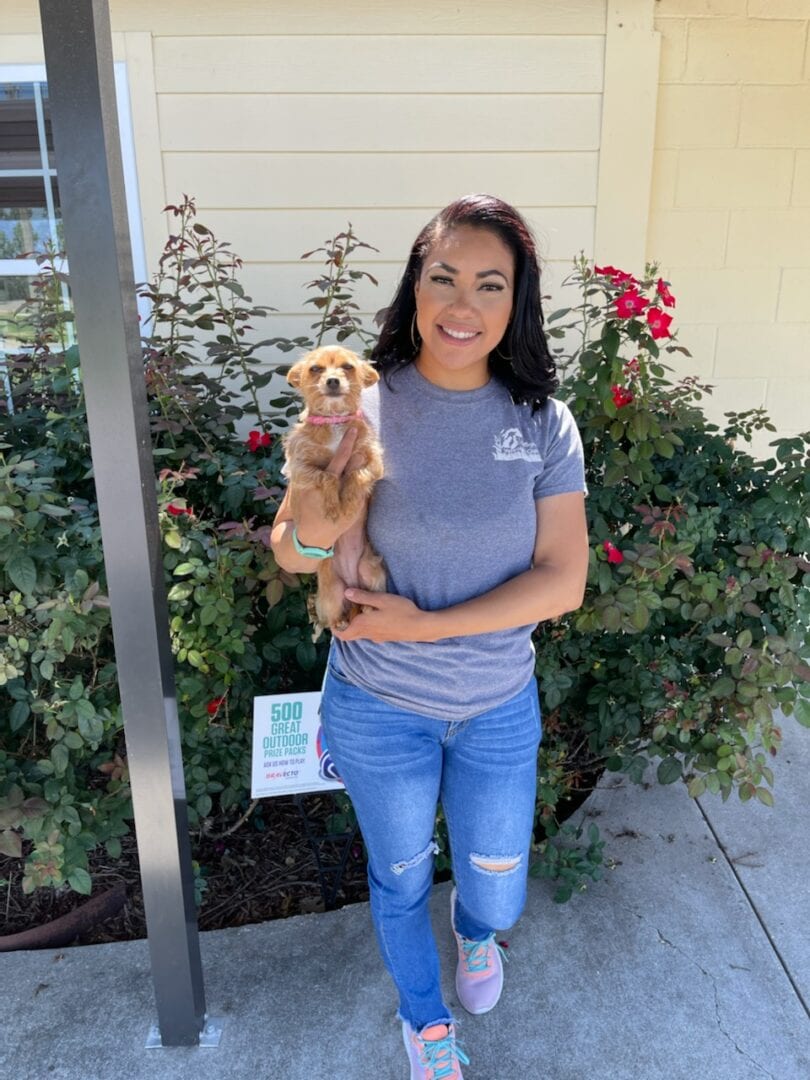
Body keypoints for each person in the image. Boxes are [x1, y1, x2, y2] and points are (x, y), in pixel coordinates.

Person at [270, 194, 589, 1079]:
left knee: (498, 883)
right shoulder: (361, 401)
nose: (461, 305)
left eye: (490, 285)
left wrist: (431, 624)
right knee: (402, 875)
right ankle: (425, 1018)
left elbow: (564, 580)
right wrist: (318, 507)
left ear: (515, 302)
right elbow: (296, 555)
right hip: (378, 706)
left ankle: (478, 932)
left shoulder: (541, 424)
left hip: (493, 705)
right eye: (442, 277)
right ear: (414, 288)